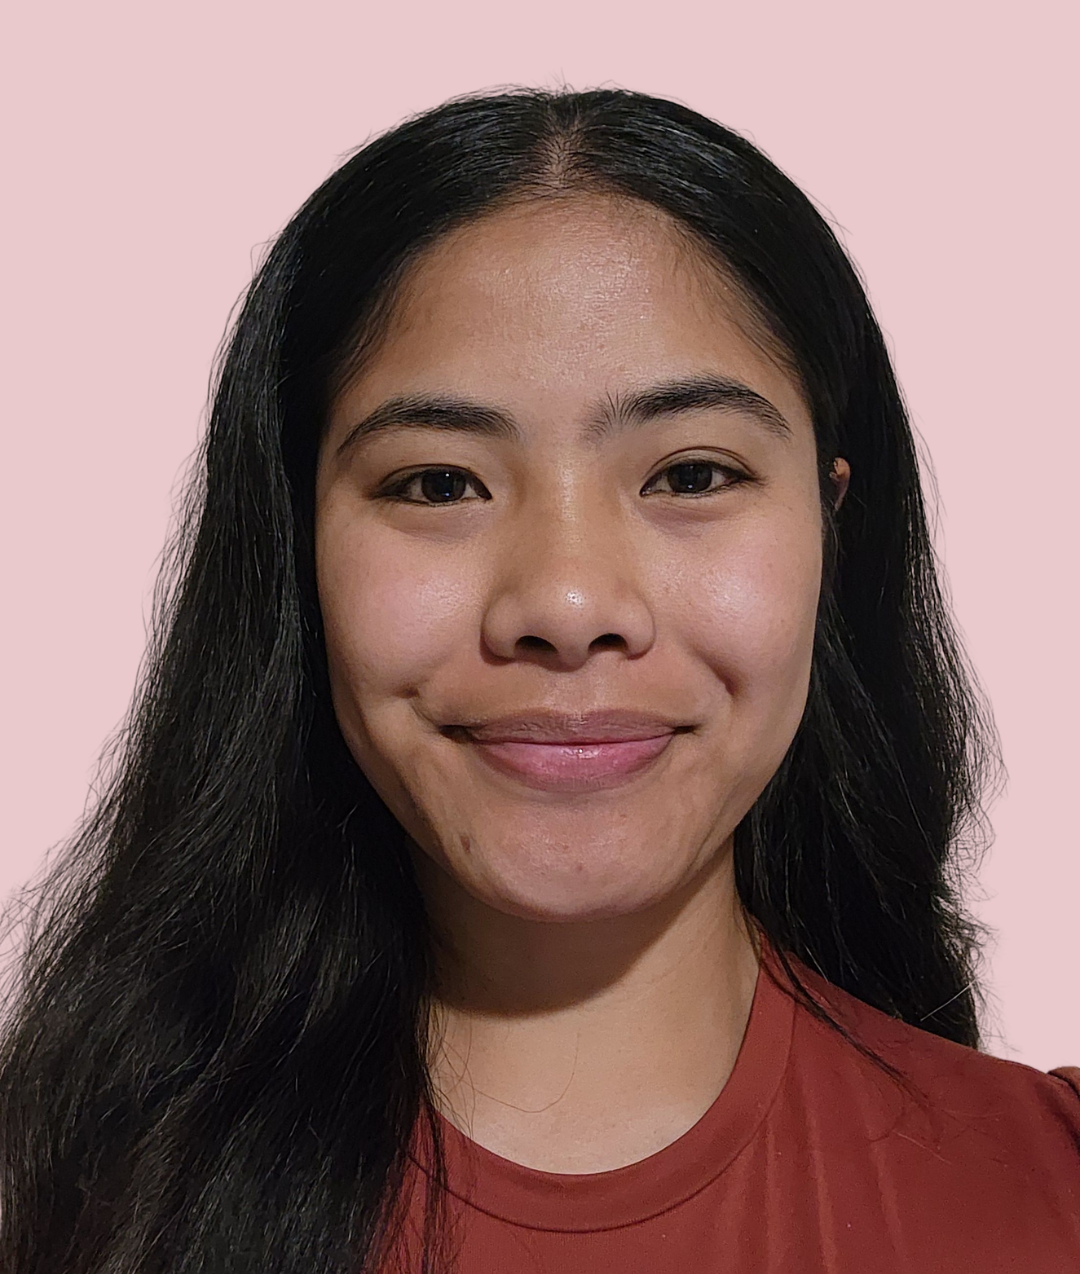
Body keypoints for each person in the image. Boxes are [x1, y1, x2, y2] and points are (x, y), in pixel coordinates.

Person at [0, 88, 1076, 1274]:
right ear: (295, 546)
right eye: (439, 485)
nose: (567, 606)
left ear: (831, 523)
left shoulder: (1054, 1188)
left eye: (693, 474)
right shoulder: (52, 1205)